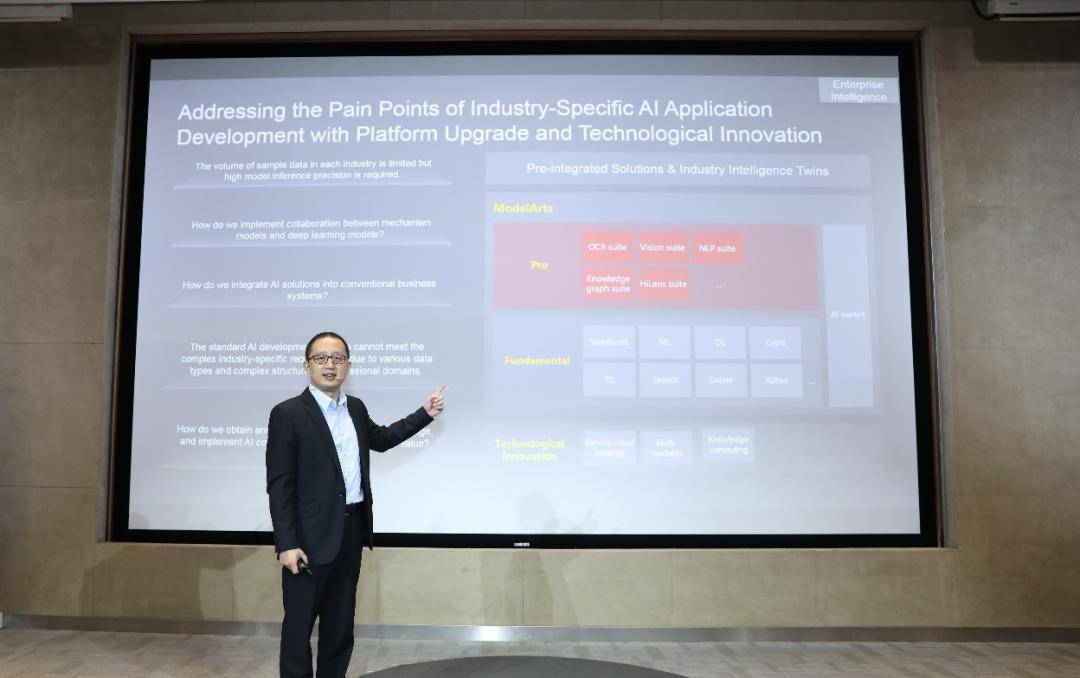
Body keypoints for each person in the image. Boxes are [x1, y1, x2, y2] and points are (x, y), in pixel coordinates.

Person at [266, 331, 445, 678]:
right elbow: (280, 484)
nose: (329, 365)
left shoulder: (356, 408)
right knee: (299, 628)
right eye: (321, 358)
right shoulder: (288, 413)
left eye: (338, 358)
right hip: (308, 538)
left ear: (348, 366)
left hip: (350, 530)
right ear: (306, 366)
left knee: (340, 626)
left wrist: (424, 413)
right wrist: (287, 543)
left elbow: (384, 439)